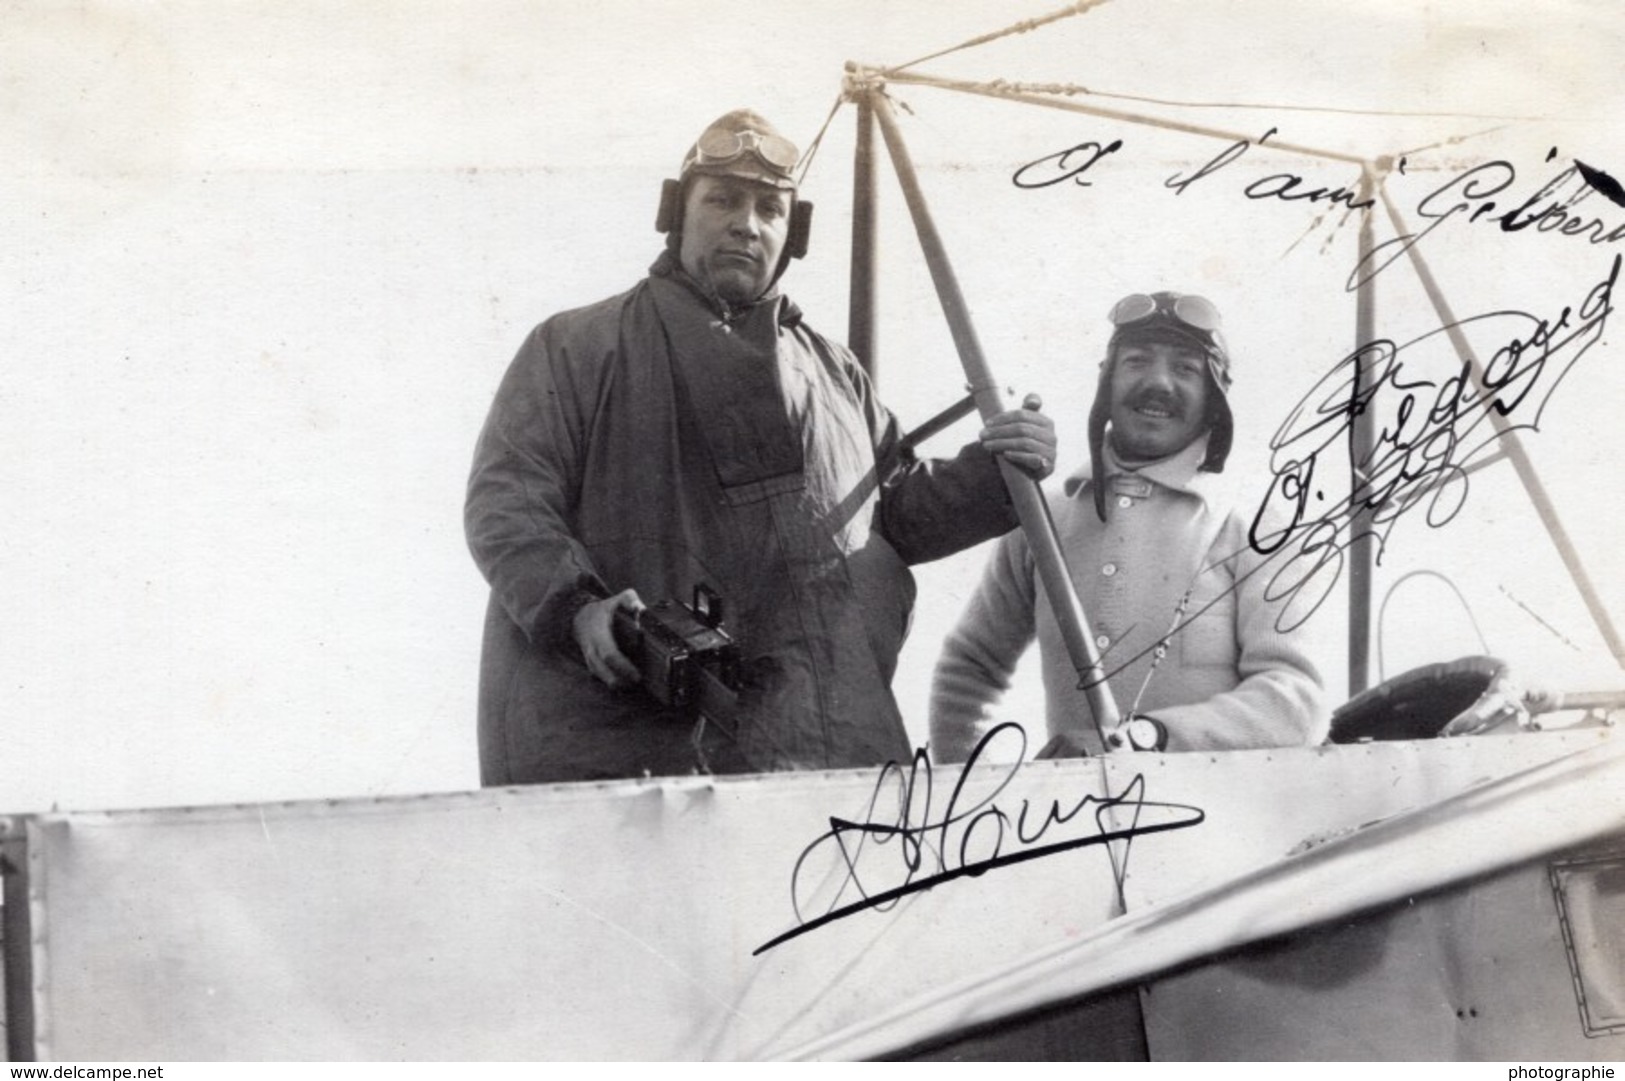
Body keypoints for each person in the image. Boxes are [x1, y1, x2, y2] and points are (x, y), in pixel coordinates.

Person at [465, 108, 1056, 784]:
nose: (746, 223)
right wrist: (574, 606)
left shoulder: (834, 374)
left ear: (790, 233)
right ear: (676, 214)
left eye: (769, 208)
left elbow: (893, 511)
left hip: (822, 744)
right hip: (624, 746)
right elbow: (507, 497)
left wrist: (998, 469)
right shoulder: (576, 346)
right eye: (721, 200)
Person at [929, 291, 1329, 761]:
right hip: (1068, 824)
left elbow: (1298, 702)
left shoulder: (1262, 528)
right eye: (1137, 361)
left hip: (1216, 822)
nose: (1158, 383)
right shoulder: (1041, 519)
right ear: (1106, 383)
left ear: (1214, 399)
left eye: (1185, 368)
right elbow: (968, 670)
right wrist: (981, 797)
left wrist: (1149, 736)